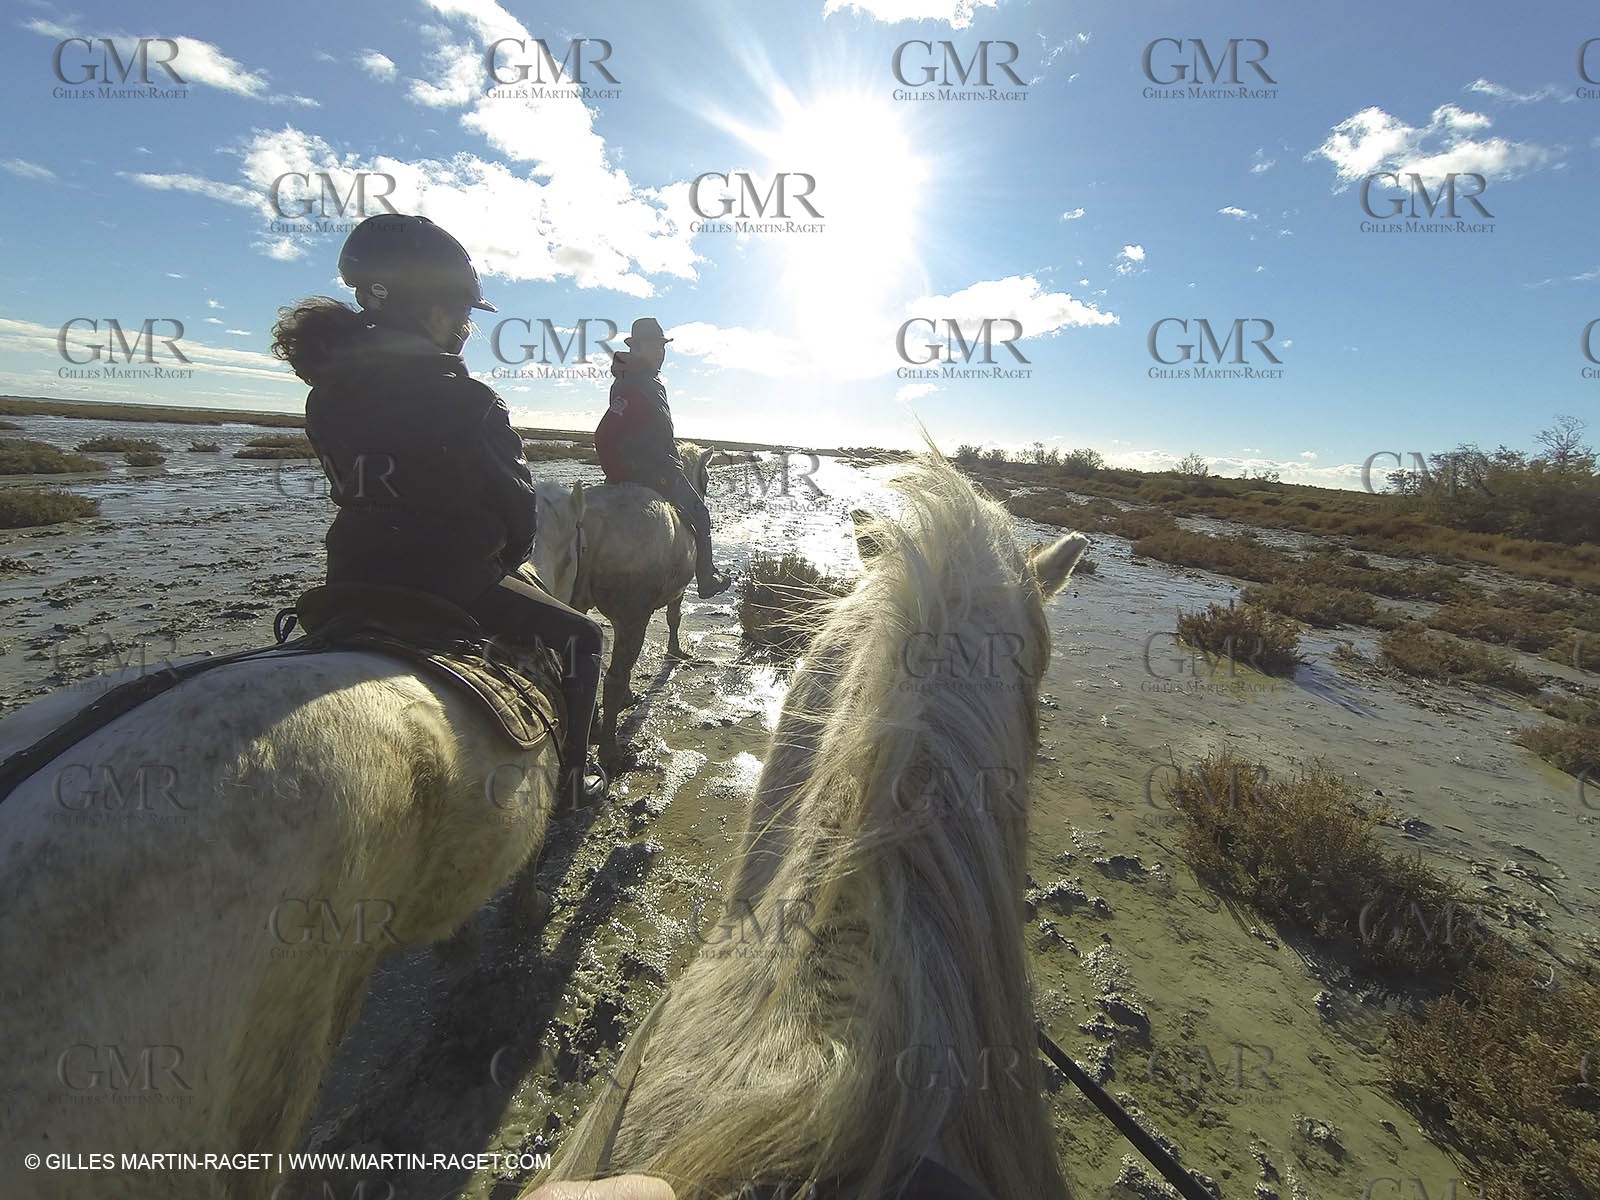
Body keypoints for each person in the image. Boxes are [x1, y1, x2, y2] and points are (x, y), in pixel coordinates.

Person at [269, 213, 606, 805]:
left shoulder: (324, 395)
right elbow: (518, 512)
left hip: (350, 575)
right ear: (433, 314)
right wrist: (504, 557)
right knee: (583, 635)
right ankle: (576, 779)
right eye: (465, 315)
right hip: (456, 583)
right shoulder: (468, 399)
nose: (467, 328)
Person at [594, 318, 731, 598]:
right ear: (638, 347)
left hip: (635, 469)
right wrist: (630, 471)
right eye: (653, 346)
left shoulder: (632, 380)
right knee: (702, 516)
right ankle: (706, 578)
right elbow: (606, 432)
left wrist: (615, 472)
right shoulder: (638, 383)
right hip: (658, 472)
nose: (660, 352)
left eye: (662, 346)